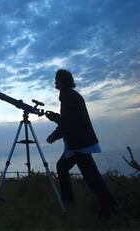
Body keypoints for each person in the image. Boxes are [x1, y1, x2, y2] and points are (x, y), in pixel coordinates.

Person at [45, 69, 117, 217]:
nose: (55, 82)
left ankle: (108, 207)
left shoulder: (67, 96)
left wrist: (53, 136)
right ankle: (70, 199)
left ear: (61, 81)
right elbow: (68, 119)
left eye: (56, 80)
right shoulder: (71, 95)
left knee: (91, 178)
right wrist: (55, 117)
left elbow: (68, 123)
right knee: (65, 168)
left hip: (79, 145)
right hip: (78, 143)